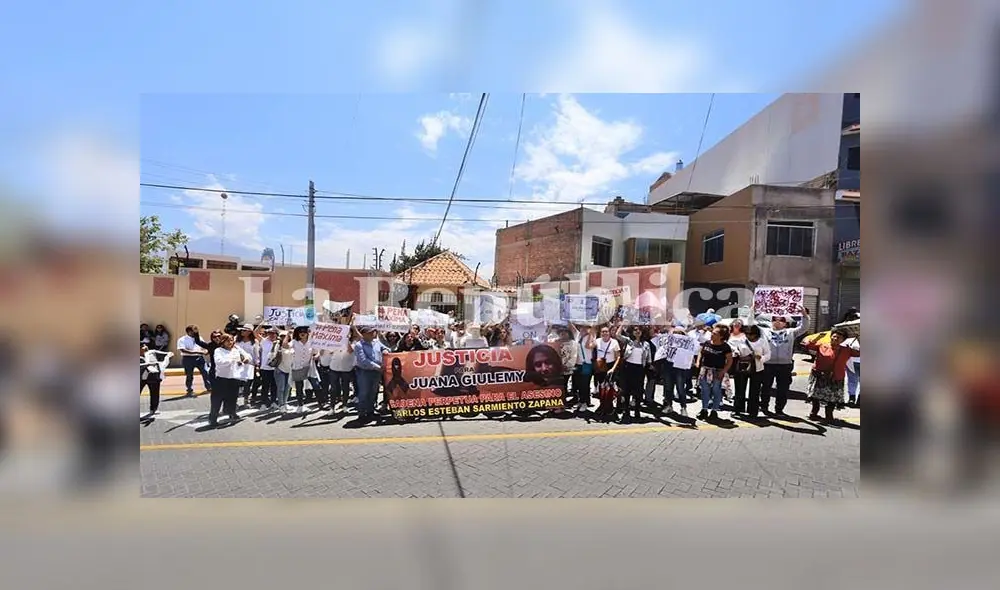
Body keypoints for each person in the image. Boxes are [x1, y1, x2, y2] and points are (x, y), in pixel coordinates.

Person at [759, 309, 810, 417]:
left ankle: (779, 409)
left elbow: (804, 327)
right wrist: (753, 309)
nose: (777, 321)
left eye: (781, 320)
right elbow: (750, 324)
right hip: (768, 364)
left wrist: (804, 314)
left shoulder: (791, 332)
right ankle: (764, 407)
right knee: (765, 387)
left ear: (785, 322)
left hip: (785, 365)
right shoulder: (764, 331)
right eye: (774, 319)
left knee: (783, 389)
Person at [802, 328, 860, 421]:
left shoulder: (847, 350)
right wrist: (817, 338)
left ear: (843, 340)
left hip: (836, 377)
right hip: (820, 375)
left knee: (832, 398)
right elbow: (808, 345)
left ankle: (829, 415)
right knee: (816, 396)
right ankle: (814, 413)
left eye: (839, 337)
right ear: (830, 337)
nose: (835, 339)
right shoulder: (822, 345)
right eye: (834, 336)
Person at [210, 333, 252, 427]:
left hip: (234, 378)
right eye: (228, 340)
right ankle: (213, 418)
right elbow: (219, 362)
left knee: (232, 398)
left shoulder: (236, 349)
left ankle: (231, 413)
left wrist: (245, 359)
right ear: (223, 341)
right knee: (217, 399)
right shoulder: (218, 350)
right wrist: (232, 360)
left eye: (231, 340)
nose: (230, 342)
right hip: (222, 378)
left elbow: (248, 356)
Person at [697, 324, 733, 421]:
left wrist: (724, 371)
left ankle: (714, 411)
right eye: (712, 332)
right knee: (705, 390)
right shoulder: (707, 343)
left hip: (718, 371)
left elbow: (729, 360)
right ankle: (704, 409)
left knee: (716, 390)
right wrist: (698, 362)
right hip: (705, 370)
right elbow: (701, 351)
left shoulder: (725, 347)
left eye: (715, 333)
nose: (712, 334)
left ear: (721, 336)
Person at [618, 325, 651, 423]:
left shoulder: (645, 344)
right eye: (635, 330)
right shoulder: (629, 341)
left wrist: (649, 366)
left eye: (639, 330)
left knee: (638, 391)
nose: (637, 331)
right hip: (628, 367)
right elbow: (617, 335)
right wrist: (622, 324)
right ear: (632, 332)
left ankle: (637, 410)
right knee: (627, 390)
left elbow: (648, 358)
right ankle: (626, 410)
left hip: (639, 369)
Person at [662, 327, 699, 417]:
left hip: (680, 367)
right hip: (669, 366)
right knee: (668, 388)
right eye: (675, 333)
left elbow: (691, 355)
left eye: (678, 333)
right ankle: (669, 405)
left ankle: (683, 407)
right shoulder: (668, 342)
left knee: (680, 388)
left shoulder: (687, 345)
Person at [353, 326, 387, 424]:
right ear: (364, 334)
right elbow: (363, 360)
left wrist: (385, 350)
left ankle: (370, 411)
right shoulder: (359, 345)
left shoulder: (376, 342)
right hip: (364, 372)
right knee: (364, 393)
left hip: (376, 372)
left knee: (373, 392)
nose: (373, 333)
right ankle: (362, 414)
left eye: (373, 332)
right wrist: (378, 367)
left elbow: (384, 348)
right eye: (370, 332)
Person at [291, 326, 324, 413]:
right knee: (299, 387)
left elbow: (317, 353)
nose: (302, 334)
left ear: (307, 333)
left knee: (316, 384)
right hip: (298, 366)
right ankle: (300, 405)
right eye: (300, 332)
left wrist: (316, 356)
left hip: (309, 366)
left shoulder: (311, 342)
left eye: (304, 332)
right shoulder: (294, 342)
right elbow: (285, 346)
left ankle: (321, 403)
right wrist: (287, 335)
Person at [743, 325, 771, 419]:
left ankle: (753, 411)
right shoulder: (742, 340)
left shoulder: (762, 341)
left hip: (758, 368)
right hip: (743, 368)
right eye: (746, 333)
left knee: (754, 391)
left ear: (755, 334)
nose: (748, 336)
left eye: (750, 334)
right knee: (741, 390)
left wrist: (761, 358)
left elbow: (768, 354)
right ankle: (740, 409)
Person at [728, 320, 755, 415]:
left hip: (746, 361)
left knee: (746, 386)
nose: (736, 324)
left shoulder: (745, 335)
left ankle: (748, 409)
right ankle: (738, 408)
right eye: (735, 323)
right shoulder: (729, 334)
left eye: (739, 323)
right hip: (734, 361)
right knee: (738, 386)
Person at [176, 325, 211, 397]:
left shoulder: (199, 338)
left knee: (205, 372)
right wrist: (196, 352)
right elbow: (182, 349)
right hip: (188, 359)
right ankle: (189, 390)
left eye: (196, 330)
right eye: (194, 330)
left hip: (200, 358)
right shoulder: (182, 339)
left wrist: (206, 351)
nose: (196, 331)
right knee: (189, 375)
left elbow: (204, 346)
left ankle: (209, 387)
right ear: (189, 331)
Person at [140, 344, 171, 417]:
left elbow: (163, 359)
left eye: (145, 345)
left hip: (153, 376)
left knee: (155, 393)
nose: (145, 347)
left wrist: (168, 356)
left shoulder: (152, 353)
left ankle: (153, 409)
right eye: (142, 346)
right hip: (140, 377)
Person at [571, 324, 596, 412]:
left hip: (587, 364)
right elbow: (571, 326)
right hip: (577, 364)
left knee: (585, 385)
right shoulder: (578, 335)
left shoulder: (592, 337)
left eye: (586, 327)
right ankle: (580, 401)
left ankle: (585, 402)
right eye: (582, 327)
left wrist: (590, 334)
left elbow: (588, 346)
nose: (583, 329)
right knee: (578, 384)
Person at [235, 324, 259, 409]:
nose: (242, 332)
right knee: (236, 384)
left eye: (244, 330)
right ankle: (235, 402)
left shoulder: (254, 342)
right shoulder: (236, 340)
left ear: (249, 332)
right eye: (241, 330)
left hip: (249, 365)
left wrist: (257, 365)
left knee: (247, 384)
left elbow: (256, 354)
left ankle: (246, 401)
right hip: (238, 365)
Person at [273, 332, 295, 413]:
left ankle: (285, 403)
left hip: (289, 370)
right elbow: (272, 356)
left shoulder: (293, 345)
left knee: (287, 389)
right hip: (280, 369)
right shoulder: (278, 345)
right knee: (281, 388)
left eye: (285, 336)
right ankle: (281, 404)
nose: (283, 337)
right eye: (282, 336)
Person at [257, 327, 279, 410]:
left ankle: (273, 402)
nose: (272, 335)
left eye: (273, 333)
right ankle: (263, 403)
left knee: (274, 386)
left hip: (276, 368)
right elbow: (255, 332)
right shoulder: (264, 341)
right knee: (265, 386)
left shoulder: (279, 342)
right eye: (270, 333)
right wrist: (263, 322)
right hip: (265, 368)